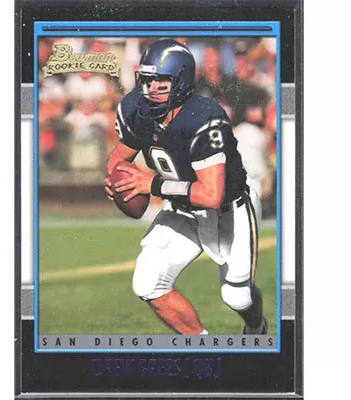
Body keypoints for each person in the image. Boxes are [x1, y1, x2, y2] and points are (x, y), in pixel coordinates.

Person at [104, 39, 268, 335]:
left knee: (237, 297)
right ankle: (205, 348)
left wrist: (151, 184)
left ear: (180, 83)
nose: (151, 89)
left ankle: (256, 327)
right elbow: (118, 156)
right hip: (181, 209)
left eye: (161, 82)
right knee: (147, 283)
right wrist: (118, 180)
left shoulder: (204, 117)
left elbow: (211, 195)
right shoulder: (135, 108)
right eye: (147, 80)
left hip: (229, 210)